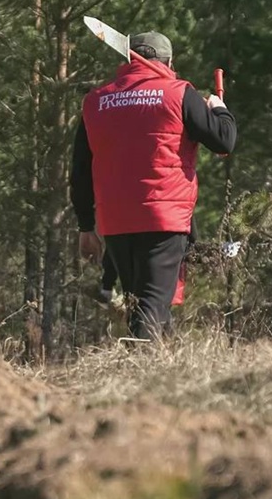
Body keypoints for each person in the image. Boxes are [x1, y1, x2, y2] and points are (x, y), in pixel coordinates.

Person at [70, 31, 236, 340]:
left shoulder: (95, 101)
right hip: (163, 217)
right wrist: (219, 108)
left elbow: (80, 170)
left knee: (142, 302)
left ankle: (160, 371)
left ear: (129, 59)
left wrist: (85, 225)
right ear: (169, 62)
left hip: (115, 221)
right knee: (151, 305)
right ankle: (142, 376)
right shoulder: (179, 93)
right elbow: (224, 140)